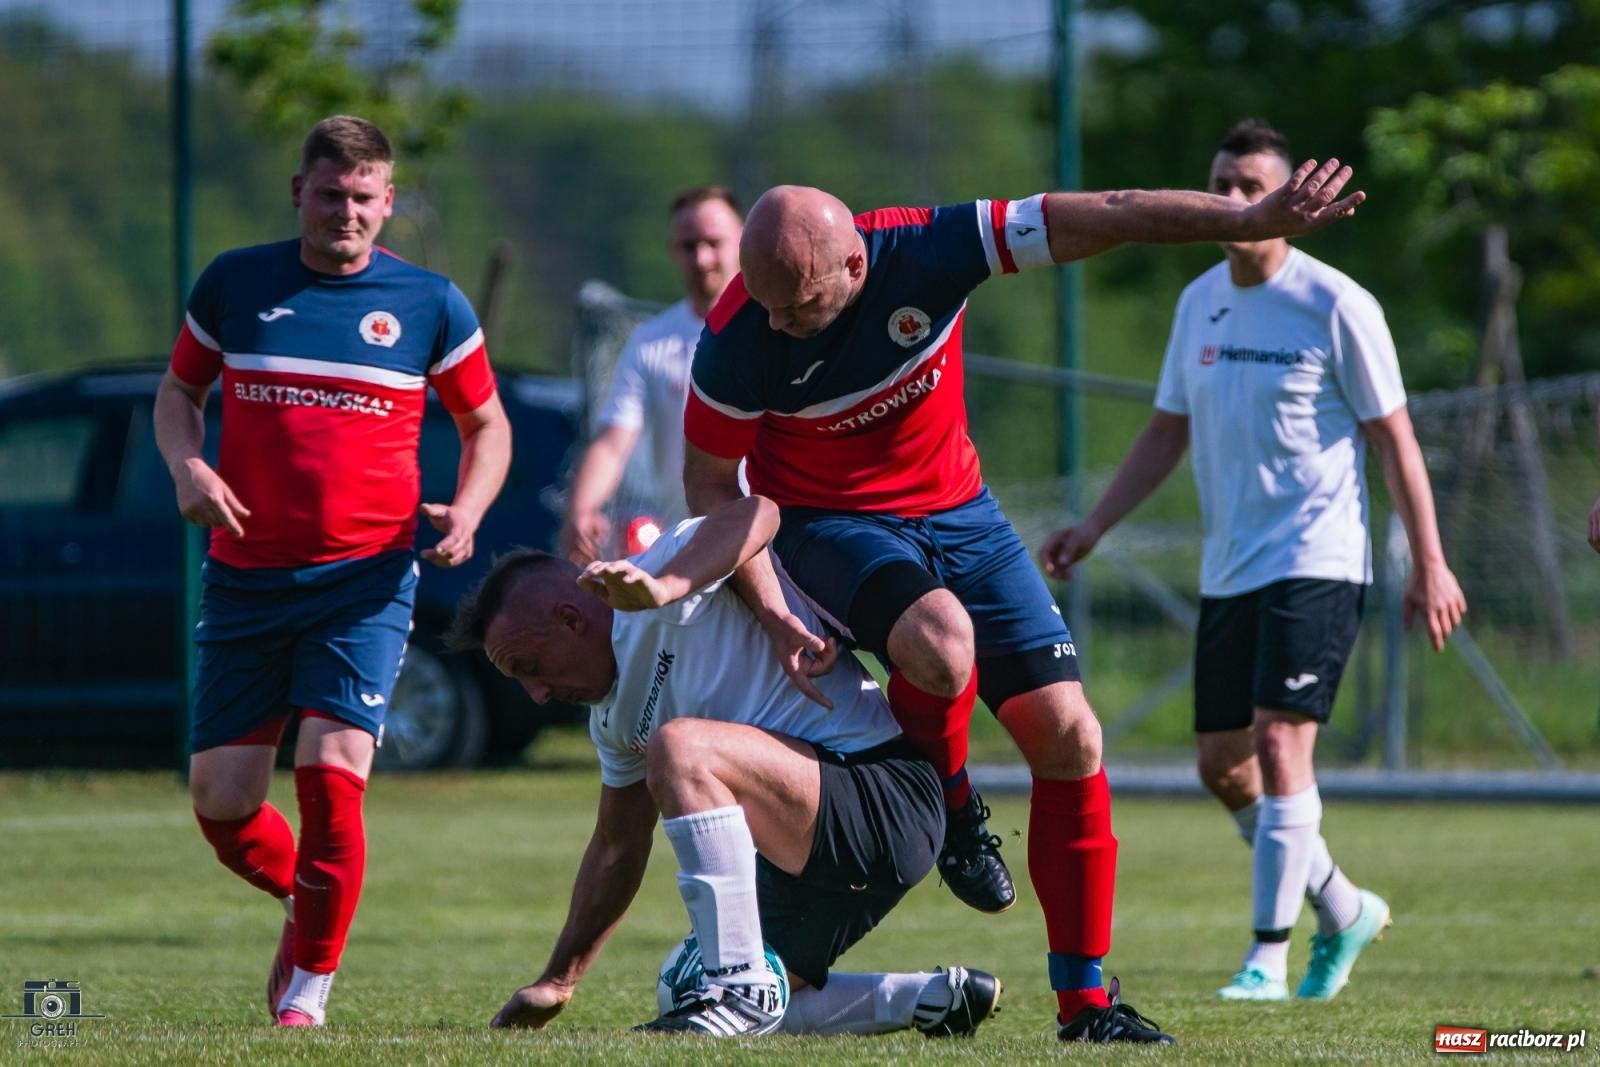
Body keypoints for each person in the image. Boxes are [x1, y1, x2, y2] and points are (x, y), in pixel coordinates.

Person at [682, 162, 1365, 1044]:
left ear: (856, 265)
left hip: (961, 512)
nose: (778, 320)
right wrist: (775, 608)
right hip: (827, 524)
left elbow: (1114, 207)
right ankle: (957, 810)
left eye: (798, 303)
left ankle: (1085, 1007)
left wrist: (1251, 218)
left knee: (1074, 733)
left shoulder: (930, 249)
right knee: (942, 642)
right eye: (765, 301)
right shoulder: (738, 335)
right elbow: (710, 489)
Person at [1038, 119, 1467, 1004]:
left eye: (1251, 186)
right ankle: (1344, 906)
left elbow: (1396, 439)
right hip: (1231, 566)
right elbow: (1166, 428)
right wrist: (1096, 525)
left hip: (1320, 555)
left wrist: (1430, 558)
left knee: (1279, 744)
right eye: (1222, 184)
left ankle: (1267, 957)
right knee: (1219, 763)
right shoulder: (1199, 300)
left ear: (1293, 200)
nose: (1233, 201)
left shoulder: (1336, 303)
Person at [153, 115, 511, 1028]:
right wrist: (189, 469)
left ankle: (307, 990)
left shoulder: (431, 303)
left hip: (367, 578)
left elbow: (487, 425)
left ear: (388, 203)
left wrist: (467, 509)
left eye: (363, 197)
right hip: (246, 577)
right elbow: (178, 395)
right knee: (222, 803)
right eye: (329, 194)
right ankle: (303, 900)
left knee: (330, 769)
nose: (345, 212)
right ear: (298, 194)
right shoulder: (237, 282)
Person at [447, 496, 1002, 1039]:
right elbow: (617, 849)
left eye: (530, 668)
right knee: (684, 985)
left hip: (882, 798)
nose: (537, 694)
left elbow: (756, 513)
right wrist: (558, 980)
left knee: (681, 749)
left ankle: (741, 985)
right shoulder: (610, 722)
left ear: (571, 620)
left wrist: (673, 588)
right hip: (814, 859)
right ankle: (923, 999)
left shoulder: (656, 574)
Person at [560, 185, 744, 565]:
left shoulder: (778, 328)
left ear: (743, 240)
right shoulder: (651, 342)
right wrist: (582, 508)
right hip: (692, 546)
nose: (702, 258)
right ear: (672, 251)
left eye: (714, 242)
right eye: (689, 246)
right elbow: (613, 442)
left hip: (776, 538)